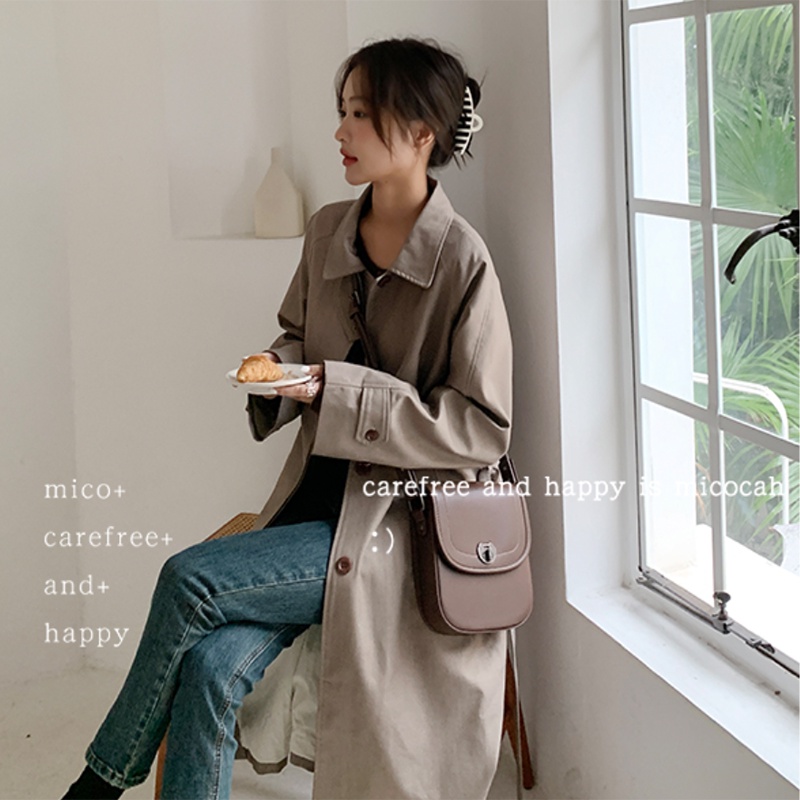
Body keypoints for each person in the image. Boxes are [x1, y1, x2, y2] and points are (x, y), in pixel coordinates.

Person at [63, 36, 513, 800]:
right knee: (211, 667)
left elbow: (479, 429)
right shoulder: (328, 231)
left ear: (420, 134)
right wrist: (275, 371)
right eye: (343, 112)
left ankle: (97, 785)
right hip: (308, 510)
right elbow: (298, 338)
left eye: (362, 115)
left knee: (188, 578)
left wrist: (336, 389)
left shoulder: (463, 263)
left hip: (391, 534)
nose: (340, 131)